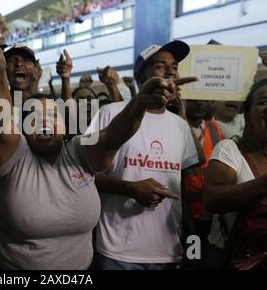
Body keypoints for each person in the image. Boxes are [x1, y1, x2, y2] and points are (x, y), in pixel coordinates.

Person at [0, 24, 193, 270]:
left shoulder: (78, 148)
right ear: (22, 128)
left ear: (66, 126)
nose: (43, 121)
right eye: (33, 117)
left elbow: (112, 136)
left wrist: (139, 103)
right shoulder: (16, 156)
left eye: (53, 115)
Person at [87, 40, 204, 270]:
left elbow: (187, 183)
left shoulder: (179, 126)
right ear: (140, 76)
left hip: (168, 251)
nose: (170, 70)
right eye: (160, 66)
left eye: (174, 65)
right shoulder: (109, 113)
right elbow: (82, 176)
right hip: (117, 252)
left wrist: (192, 246)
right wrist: (130, 188)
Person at [203, 78, 267, 269]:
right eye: (264, 102)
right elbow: (212, 199)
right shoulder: (230, 150)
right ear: (247, 117)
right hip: (234, 258)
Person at [182, 99, 222, 255]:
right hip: (187, 213)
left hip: (211, 212)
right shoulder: (176, 128)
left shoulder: (214, 127)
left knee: (207, 254)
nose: (198, 103)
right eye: (192, 99)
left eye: (202, 98)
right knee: (193, 255)